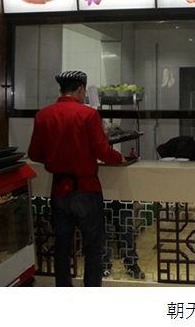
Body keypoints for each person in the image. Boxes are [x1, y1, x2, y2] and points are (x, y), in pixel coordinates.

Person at [28, 70, 125, 287]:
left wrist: (54, 157)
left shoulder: (42, 115)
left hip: (58, 191)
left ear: (61, 90)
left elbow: (34, 153)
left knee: (62, 247)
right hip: (86, 190)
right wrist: (119, 158)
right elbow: (102, 151)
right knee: (93, 248)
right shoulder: (88, 114)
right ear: (81, 89)